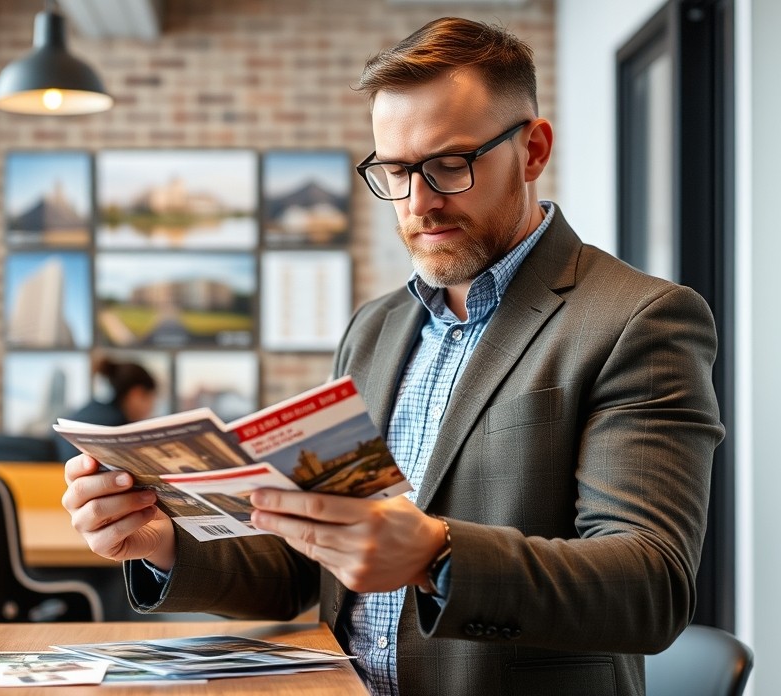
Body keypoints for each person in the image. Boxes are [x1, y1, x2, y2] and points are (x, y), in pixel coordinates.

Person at [62, 17, 723, 696]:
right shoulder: (375, 329)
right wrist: (160, 542)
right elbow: (305, 563)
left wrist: (436, 554)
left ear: (532, 150)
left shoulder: (636, 320)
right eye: (396, 171)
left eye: (448, 165)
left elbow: (651, 585)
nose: (419, 203)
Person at [50, 357, 157, 462]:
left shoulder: (94, 410)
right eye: (151, 399)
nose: (152, 408)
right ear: (136, 394)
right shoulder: (117, 425)